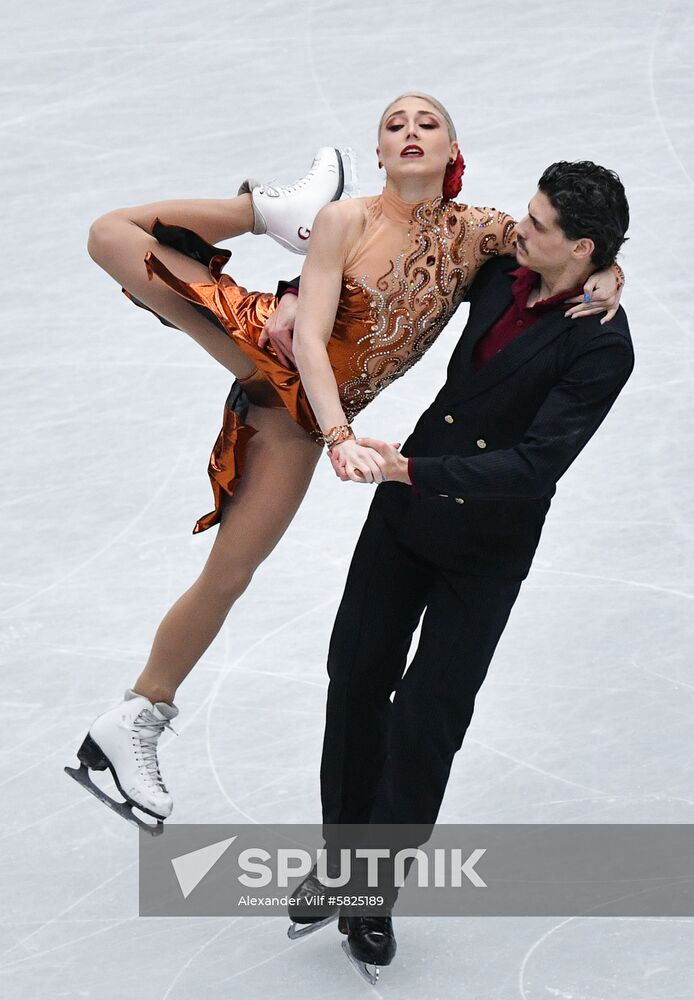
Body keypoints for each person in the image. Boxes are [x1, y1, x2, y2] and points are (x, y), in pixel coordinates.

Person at [65, 94, 623, 835]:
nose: (410, 132)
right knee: (111, 235)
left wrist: (611, 275)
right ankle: (269, 211)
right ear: (382, 154)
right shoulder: (344, 220)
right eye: (395, 126)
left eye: (428, 124)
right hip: (283, 369)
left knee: (230, 574)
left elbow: (571, 246)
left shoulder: (483, 234)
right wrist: (338, 432)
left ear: (455, 150)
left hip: (293, 425)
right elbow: (310, 342)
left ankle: (131, 719)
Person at [284, 159, 634, 983]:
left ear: (582, 248)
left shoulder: (603, 346)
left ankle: (373, 893)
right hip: (405, 520)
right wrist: (294, 292)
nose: (524, 224)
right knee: (357, 674)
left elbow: (535, 465)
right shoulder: (502, 264)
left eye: (543, 223)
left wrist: (414, 473)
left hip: (482, 541)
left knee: (428, 719)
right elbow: (385, 255)